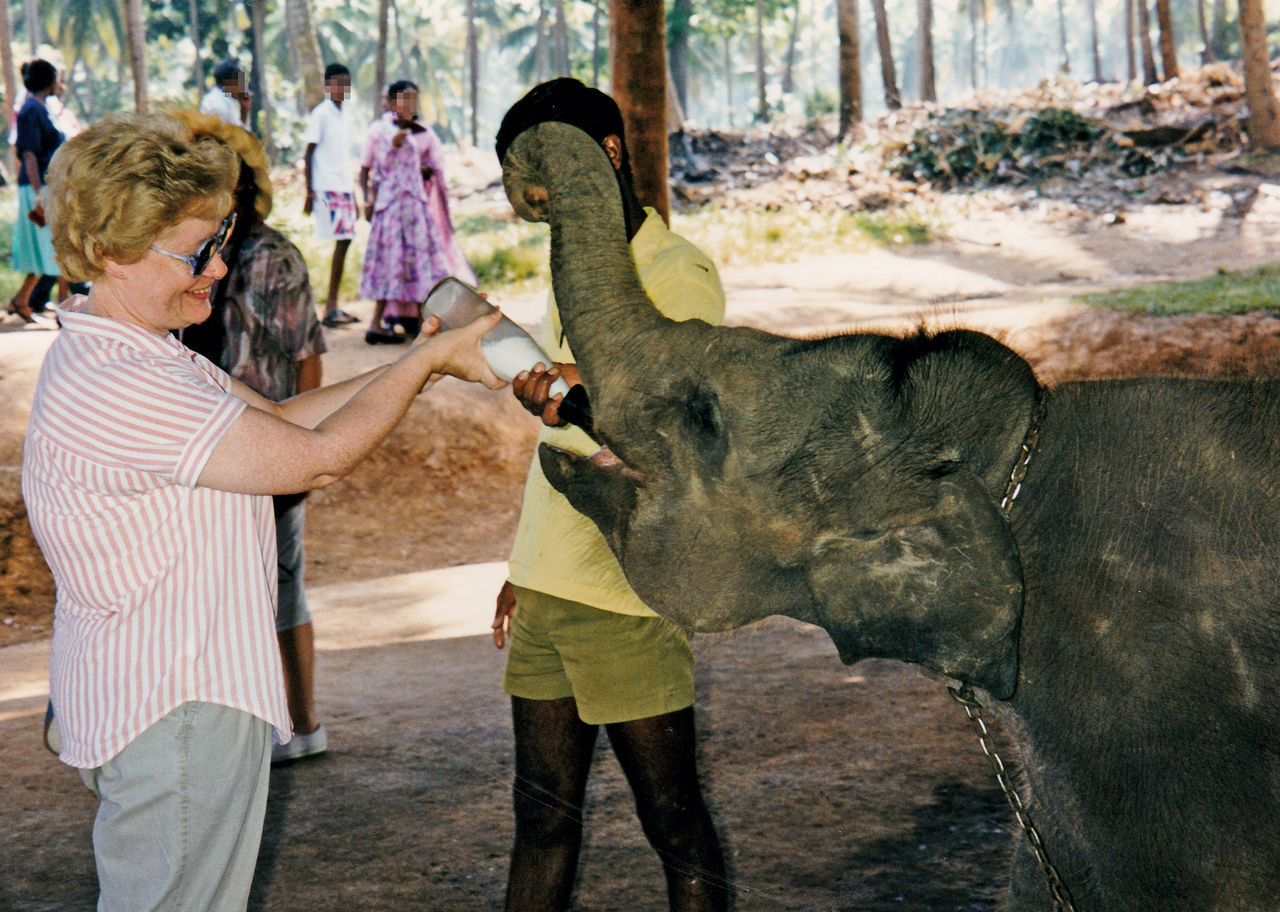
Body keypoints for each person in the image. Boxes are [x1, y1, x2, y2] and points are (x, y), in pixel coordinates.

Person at [29, 110, 503, 912]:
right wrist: (425, 359)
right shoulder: (123, 382)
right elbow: (314, 459)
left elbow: (284, 422)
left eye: (220, 242)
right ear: (110, 253)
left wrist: (426, 368)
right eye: (195, 251)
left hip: (168, 693)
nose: (217, 268)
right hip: (172, 706)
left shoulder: (138, 353)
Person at [490, 78, 731, 912]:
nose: (551, 214)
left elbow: (680, 400)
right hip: (554, 582)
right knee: (541, 817)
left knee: (673, 820)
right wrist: (523, 566)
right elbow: (562, 438)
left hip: (628, 587)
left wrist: (573, 379)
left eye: (556, 191)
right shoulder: (578, 266)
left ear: (610, 157)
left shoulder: (676, 269)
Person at [173, 110, 330, 764]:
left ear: (244, 187)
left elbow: (308, 358)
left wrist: (305, 447)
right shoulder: (185, 256)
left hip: (265, 443)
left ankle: (301, 723)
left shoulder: (273, 258)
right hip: (200, 449)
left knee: (282, 585)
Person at [358, 79, 476, 345]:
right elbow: (380, 161)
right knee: (389, 262)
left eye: (413, 100)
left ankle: (420, 322)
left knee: (419, 262)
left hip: (415, 206)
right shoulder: (384, 130)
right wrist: (369, 199)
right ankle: (376, 321)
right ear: (391, 102)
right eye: (403, 100)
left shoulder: (421, 132)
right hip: (391, 206)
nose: (409, 105)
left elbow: (433, 163)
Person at [304, 63, 360, 328]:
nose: (342, 89)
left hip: (344, 188)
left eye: (346, 84)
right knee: (343, 238)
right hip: (327, 189)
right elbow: (309, 152)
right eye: (337, 84)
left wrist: (355, 196)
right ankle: (330, 307)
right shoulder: (322, 114)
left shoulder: (344, 115)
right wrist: (308, 191)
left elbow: (344, 158)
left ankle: (332, 306)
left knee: (346, 239)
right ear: (327, 86)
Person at [9, 58, 63, 324]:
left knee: (42, 248)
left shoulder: (39, 108)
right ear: (49, 81)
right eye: (57, 78)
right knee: (53, 245)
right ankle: (64, 308)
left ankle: (21, 300)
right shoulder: (32, 110)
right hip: (36, 188)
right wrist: (39, 191)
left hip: (41, 186)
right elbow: (29, 154)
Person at [199, 58, 251, 127]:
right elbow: (236, 134)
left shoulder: (221, 99)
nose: (243, 88)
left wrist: (244, 109)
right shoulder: (218, 103)